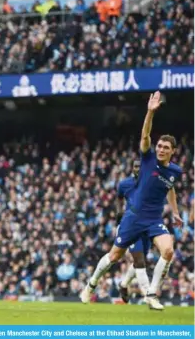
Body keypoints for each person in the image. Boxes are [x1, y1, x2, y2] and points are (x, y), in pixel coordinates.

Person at [81, 91, 183, 310]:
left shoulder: (175, 171)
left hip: (153, 219)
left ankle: (152, 294)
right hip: (133, 218)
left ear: (173, 151)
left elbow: (170, 188)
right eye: (160, 146)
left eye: (166, 147)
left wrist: (175, 212)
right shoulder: (147, 159)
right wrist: (150, 112)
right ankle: (90, 285)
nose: (161, 149)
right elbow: (145, 136)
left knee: (168, 250)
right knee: (114, 256)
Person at [116, 160, 152, 301]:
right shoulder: (124, 184)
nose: (138, 168)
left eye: (140, 166)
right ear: (132, 168)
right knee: (139, 259)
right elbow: (119, 199)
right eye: (135, 166)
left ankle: (124, 284)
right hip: (131, 225)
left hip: (147, 224)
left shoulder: (150, 182)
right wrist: (120, 215)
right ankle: (149, 295)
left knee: (139, 261)